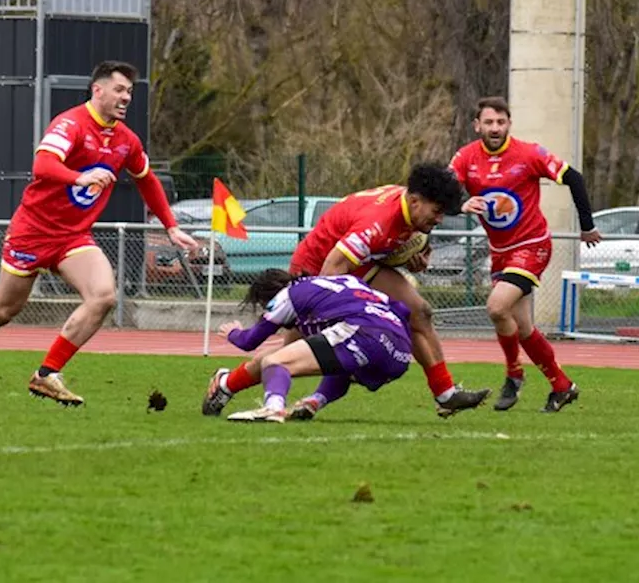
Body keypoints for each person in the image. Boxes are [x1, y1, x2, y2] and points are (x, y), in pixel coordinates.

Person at [0, 61, 199, 406]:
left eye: (130, 92)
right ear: (98, 90)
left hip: (73, 237)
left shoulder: (126, 140)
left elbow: (147, 180)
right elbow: (43, 165)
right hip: (32, 232)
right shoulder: (71, 124)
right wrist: (77, 177)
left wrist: (171, 226)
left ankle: (47, 373)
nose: (126, 97)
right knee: (2, 312)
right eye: (119, 90)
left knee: (103, 296)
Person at [203, 163, 491, 419]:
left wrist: (410, 256)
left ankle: (445, 393)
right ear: (415, 201)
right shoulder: (376, 222)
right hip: (316, 269)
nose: (439, 219)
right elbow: (333, 268)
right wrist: (336, 323)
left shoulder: (409, 206)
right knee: (291, 351)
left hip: (357, 266)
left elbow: (387, 248)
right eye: (437, 212)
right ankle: (227, 383)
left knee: (420, 312)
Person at [450, 96, 600, 412]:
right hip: (500, 253)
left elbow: (574, 177)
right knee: (524, 328)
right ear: (477, 125)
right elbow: (442, 191)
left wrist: (587, 226)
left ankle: (513, 374)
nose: (495, 128)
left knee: (495, 307)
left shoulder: (528, 153)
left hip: (532, 246)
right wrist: (458, 205)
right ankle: (562, 385)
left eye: (501, 122)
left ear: (509, 124)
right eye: (488, 122)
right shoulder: (466, 157)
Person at [216, 270, 414, 422]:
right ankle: (315, 401)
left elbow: (249, 341)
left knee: (274, 361)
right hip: (401, 352)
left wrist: (233, 332)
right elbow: (403, 310)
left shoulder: (288, 295)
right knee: (341, 361)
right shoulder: (346, 282)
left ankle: (273, 407)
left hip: (363, 332)